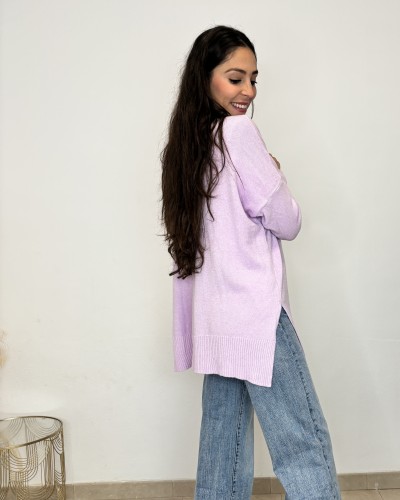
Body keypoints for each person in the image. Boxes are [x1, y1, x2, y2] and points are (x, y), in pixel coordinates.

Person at [161, 26, 341, 500]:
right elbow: (287, 221)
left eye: (253, 79)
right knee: (301, 440)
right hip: (256, 315)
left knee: (222, 451)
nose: (248, 91)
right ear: (205, 78)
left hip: (215, 318)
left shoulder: (186, 148)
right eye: (235, 78)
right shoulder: (238, 133)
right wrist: (275, 174)